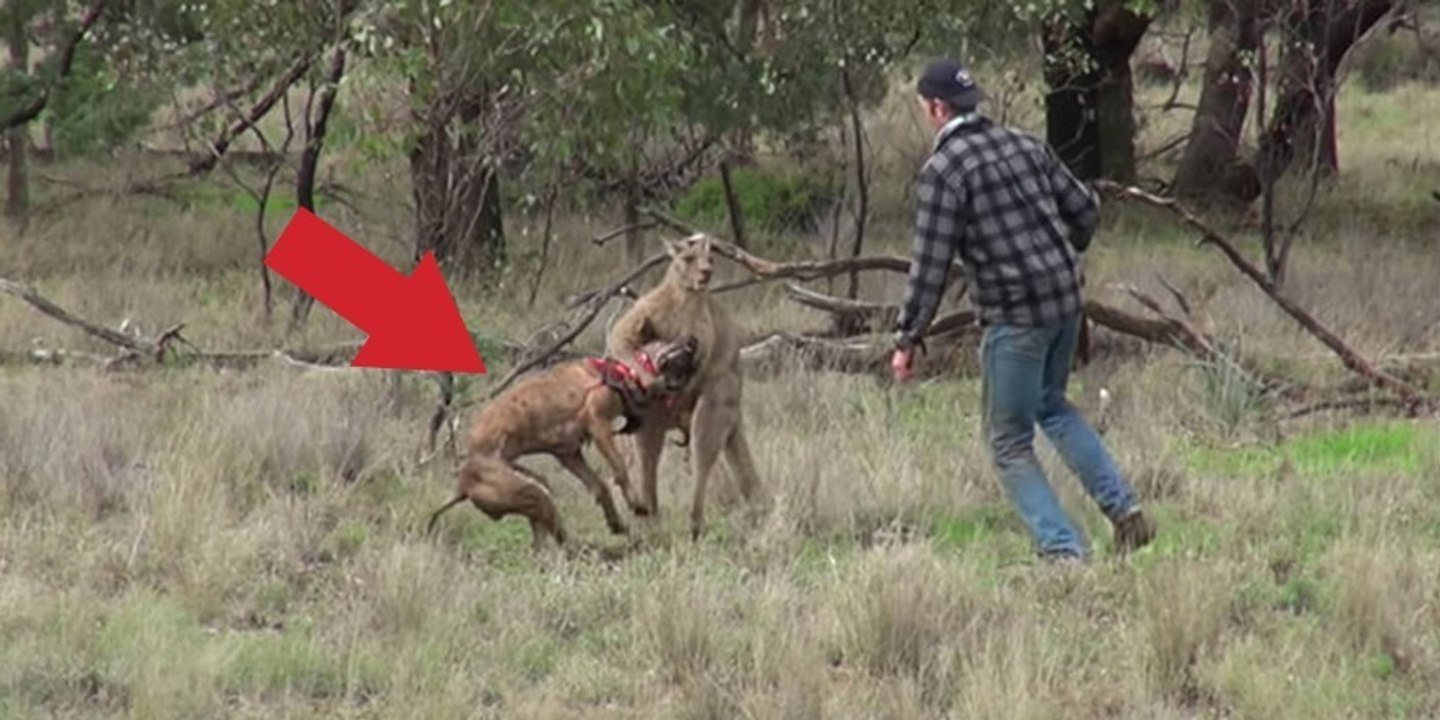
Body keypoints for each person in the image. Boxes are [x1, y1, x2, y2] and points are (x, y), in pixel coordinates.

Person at [889, 57, 1155, 562]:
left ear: (938, 108)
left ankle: (1063, 551)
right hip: (1066, 303)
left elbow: (930, 264)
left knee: (1007, 442)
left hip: (1016, 317)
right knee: (1051, 405)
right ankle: (1125, 512)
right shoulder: (1025, 144)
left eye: (925, 107)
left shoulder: (944, 170)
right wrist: (1057, 250)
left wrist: (908, 338)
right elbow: (1085, 210)